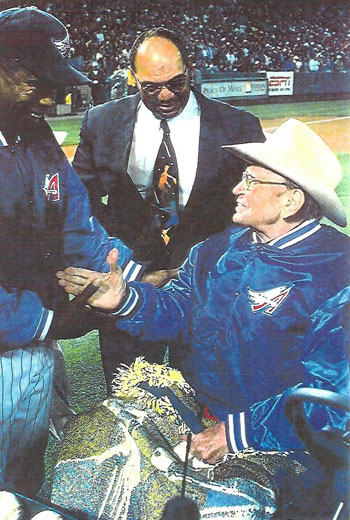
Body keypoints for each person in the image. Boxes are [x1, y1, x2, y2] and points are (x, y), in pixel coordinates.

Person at [58, 119, 350, 517]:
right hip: (200, 411)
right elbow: (178, 310)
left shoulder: (338, 272)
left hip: (285, 441)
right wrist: (126, 299)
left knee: (221, 507)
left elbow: (334, 396)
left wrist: (235, 434)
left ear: (291, 201)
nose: (237, 189)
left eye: (251, 180)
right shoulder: (218, 247)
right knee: (95, 439)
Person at [0, 6, 142, 496]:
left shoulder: (33, 133)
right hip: (19, 331)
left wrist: (131, 274)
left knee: (25, 481)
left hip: (36, 349)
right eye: (34, 79)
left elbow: (76, 225)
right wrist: (48, 322)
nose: (49, 95)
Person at [72, 27, 264, 389]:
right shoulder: (101, 122)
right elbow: (78, 204)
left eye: (176, 83)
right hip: (125, 287)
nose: (165, 95)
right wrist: (126, 268)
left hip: (207, 296)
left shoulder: (238, 126)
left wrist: (198, 270)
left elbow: (255, 212)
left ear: (191, 68)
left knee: (206, 410)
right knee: (132, 404)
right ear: (132, 78)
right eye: (150, 86)